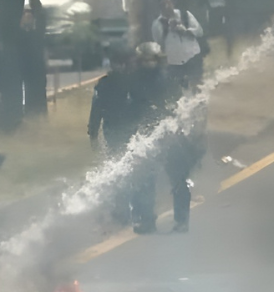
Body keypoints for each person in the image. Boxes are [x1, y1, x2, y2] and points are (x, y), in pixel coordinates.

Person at [128, 41, 204, 233]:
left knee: (178, 179)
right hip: (146, 137)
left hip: (170, 135)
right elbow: (132, 110)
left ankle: (182, 220)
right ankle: (146, 219)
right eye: (144, 60)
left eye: (151, 60)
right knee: (144, 180)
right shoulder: (134, 81)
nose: (148, 63)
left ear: (157, 60)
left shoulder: (168, 79)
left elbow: (178, 106)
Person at [87, 42, 136, 225]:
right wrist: (92, 133)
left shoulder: (133, 82)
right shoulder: (106, 84)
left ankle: (128, 208)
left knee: (127, 169)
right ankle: (123, 209)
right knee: (123, 169)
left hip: (130, 131)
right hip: (116, 131)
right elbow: (96, 109)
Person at [151, 0, 204, 90]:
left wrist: (186, 31)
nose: (168, 7)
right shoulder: (157, 24)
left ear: (173, 3)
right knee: (180, 90)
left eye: (169, 4)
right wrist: (167, 29)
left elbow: (199, 31)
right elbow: (158, 44)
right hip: (174, 62)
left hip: (193, 56)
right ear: (160, 8)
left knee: (198, 85)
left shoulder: (185, 15)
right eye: (164, 5)